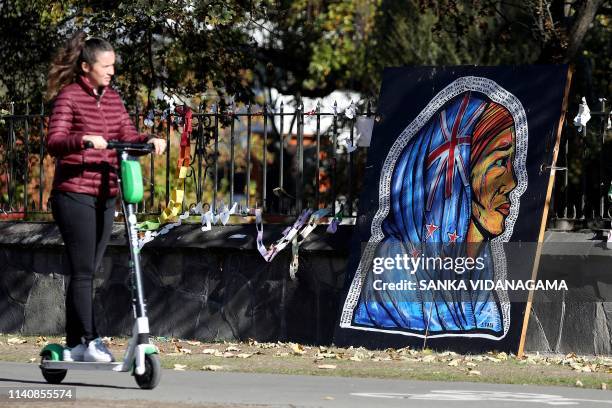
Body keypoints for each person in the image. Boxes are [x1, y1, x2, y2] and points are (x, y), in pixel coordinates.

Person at [345, 87, 526, 340]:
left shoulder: (480, 263)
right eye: (498, 162)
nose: (513, 182)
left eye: (511, 162)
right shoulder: (394, 267)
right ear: (459, 169)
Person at [45, 31, 166, 362]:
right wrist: (84, 140)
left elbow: (124, 132)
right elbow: (54, 142)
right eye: (106, 65)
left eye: (114, 65)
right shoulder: (69, 98)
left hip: (105, 192)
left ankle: (75, 344)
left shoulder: (111, 98)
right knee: (83, 271)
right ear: (86, 67)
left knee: (88, 270)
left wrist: (148, 139)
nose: (112, 71)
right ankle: (91, 340)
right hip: (74, 193)